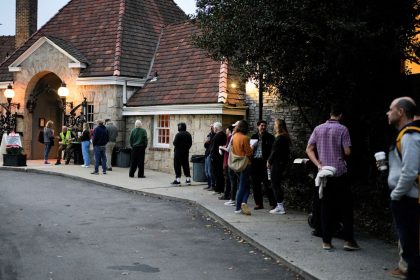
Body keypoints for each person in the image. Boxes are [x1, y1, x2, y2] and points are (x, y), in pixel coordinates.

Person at [306, 104, 359, 251]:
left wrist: (318, 164)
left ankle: (326, 241)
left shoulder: (318, 129)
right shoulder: (343, 129)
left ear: (330, 114)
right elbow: (347, 152)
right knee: (346, 207)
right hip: (339, 172)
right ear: (340, 115)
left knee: (326, 207)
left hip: (324, 172)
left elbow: (309, 149)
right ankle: (348, 240)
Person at [386, 97, 420, 280]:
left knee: (412, 251)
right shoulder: (404, 135)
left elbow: (410, 172)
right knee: (409, 248)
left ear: (400, 112)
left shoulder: (410, 136)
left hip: (408, 199)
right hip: (406, 198)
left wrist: (396, 195)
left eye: (390, 109)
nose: (387, 113)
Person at [250, 120, 276, 210]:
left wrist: (270, 161)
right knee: (255, 184)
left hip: (265, 162)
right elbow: (250, 149)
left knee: (267, 183)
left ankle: (273, 203)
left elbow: (273, 150)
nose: (263, 127)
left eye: (265, 126)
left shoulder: (270, 137)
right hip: (255, 162)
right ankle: (258, 203)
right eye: (262, 125)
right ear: (258, 126)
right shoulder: (253, 137)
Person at [232, 120, 256, 215]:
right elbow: (249, 153)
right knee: (243, 186)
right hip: (246, 164)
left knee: (243, 186)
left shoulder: (234, 136)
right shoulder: (245, 138)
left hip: (237, 164)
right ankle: (239, 206)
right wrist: (252, 147)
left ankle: (242, 203)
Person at [267, 119, 291, 214]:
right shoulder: (284, 137)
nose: (274, 126)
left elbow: (274, 151)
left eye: (275, 124)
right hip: (280, 163)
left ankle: (280, 207)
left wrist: (269, 161)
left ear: (279, 126)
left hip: (277, 164)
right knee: (276, 184)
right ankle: (279, 205)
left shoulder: (280, 138)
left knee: (275, 184)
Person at [209, 122, 227, 194]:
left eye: (213, 128)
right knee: (219, 174)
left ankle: (219, 189)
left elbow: (214, 148)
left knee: (217, 174)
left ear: (216, 128)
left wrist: (212, 156)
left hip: (216, 158)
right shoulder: (223, 135)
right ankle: (219, 189)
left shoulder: (217, 136)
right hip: (220, 157)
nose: (213, 129)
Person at [203, 124, 215, 190]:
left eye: (212, 127)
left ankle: (212, 185)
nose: (211, 128)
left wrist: (209, 141)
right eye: (210, 127)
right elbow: (205, 146)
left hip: (210, 154)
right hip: (207, 154)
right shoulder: (209, 135)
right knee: (206, 171)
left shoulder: (215, 135)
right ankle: (209, 184)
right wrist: (206, 142)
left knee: (210, 171)